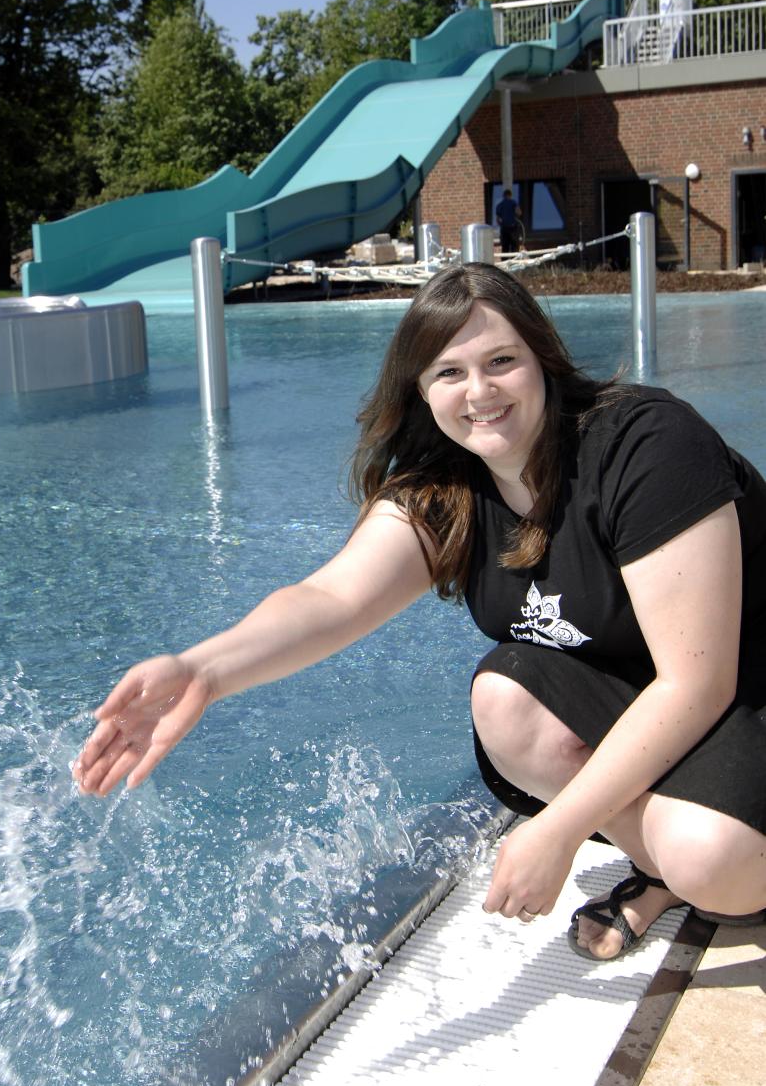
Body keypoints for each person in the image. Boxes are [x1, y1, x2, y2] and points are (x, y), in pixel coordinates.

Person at [74, 263, 766, 961]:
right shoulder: (450, 486)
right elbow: (331, 597)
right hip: (644, 698)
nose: (480, 391)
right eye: (450, 372)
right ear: (422, 391)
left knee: (714, 864)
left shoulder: (644, 446)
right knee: (506, 700)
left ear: (543, 361)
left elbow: (697, 682)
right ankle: (669, 860)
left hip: (743, 685)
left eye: (501, 361)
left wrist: (559, 829)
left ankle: (683, 863)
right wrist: (204, 669)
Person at [495, 188, 522, 253]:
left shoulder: (499, 205)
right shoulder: (513, 202)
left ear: (503, 196)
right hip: (513, 228)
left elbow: (498, 220)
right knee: (514, 247)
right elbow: (519, 212)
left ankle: (505, 261)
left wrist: (502, 224)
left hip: (504, 229)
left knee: (505, 248)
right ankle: (515, 261)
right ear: (510, 195)